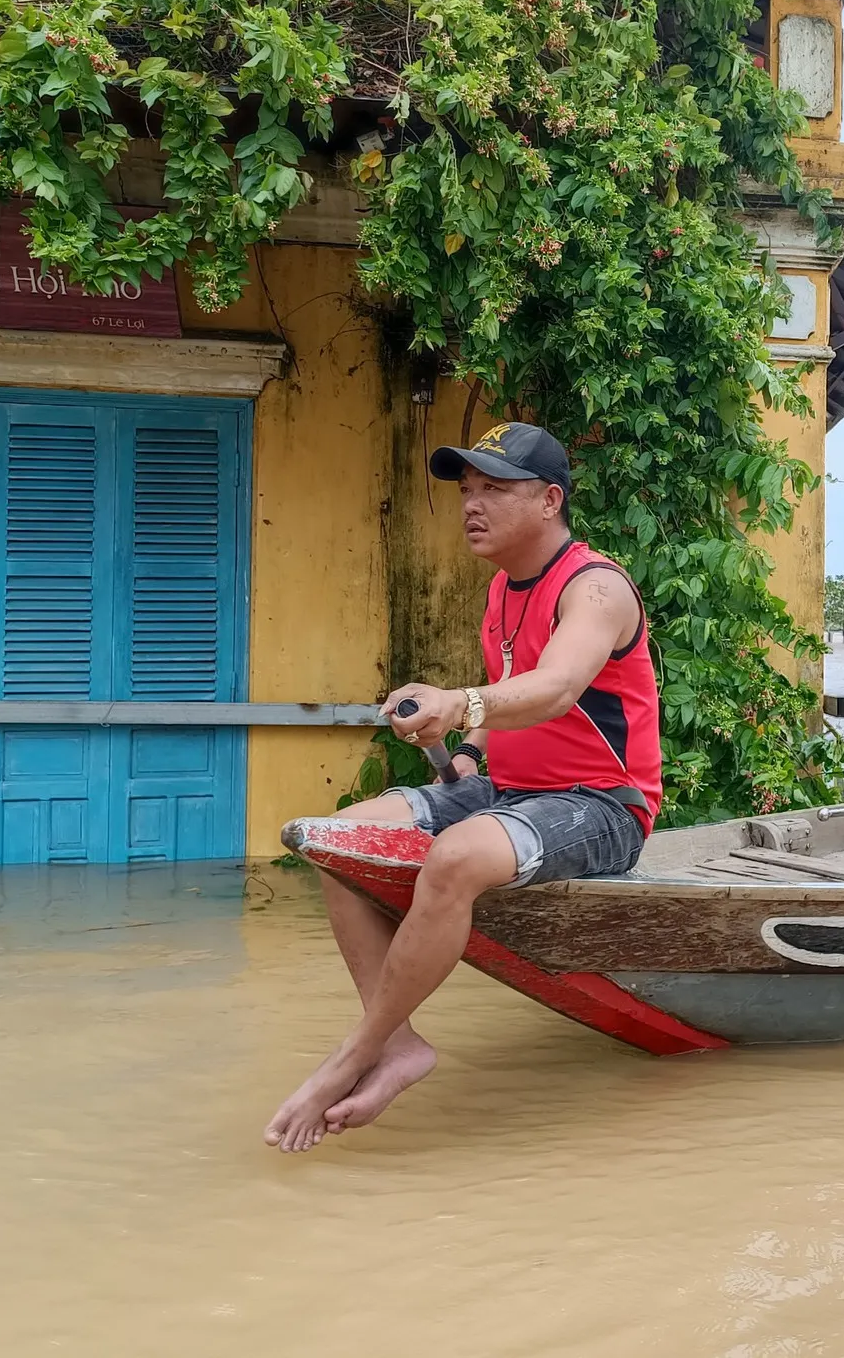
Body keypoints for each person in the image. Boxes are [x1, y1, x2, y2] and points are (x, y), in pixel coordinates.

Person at [263, 421, 661, 1153]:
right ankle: (400, 1042)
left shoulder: (595, 587)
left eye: (494, 490)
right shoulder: (503, 591)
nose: (472, 505)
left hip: (601, 805)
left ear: (549, 500)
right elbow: (508, 696)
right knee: (336, 839)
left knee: (452, 860)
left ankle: (356, 1052)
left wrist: (458, 703)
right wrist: (471, 751)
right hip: (505, 789)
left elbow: (556, 687)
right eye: (467, 490)